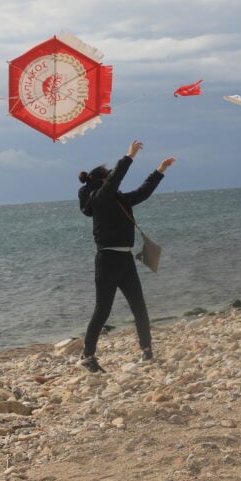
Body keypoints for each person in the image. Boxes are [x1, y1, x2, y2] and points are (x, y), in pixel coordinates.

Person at [76, 139, 176, 372]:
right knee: (102, 310)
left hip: (125, 259)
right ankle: (87, 356)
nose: (114, 180)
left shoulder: (120, 201)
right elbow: (115, 180)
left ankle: (147, 350)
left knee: (139, 306)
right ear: (102, 181)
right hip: (107, 260)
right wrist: (129, 156)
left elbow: (143, 192)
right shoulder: (100, 199)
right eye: (109, 176)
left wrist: (160, 170)